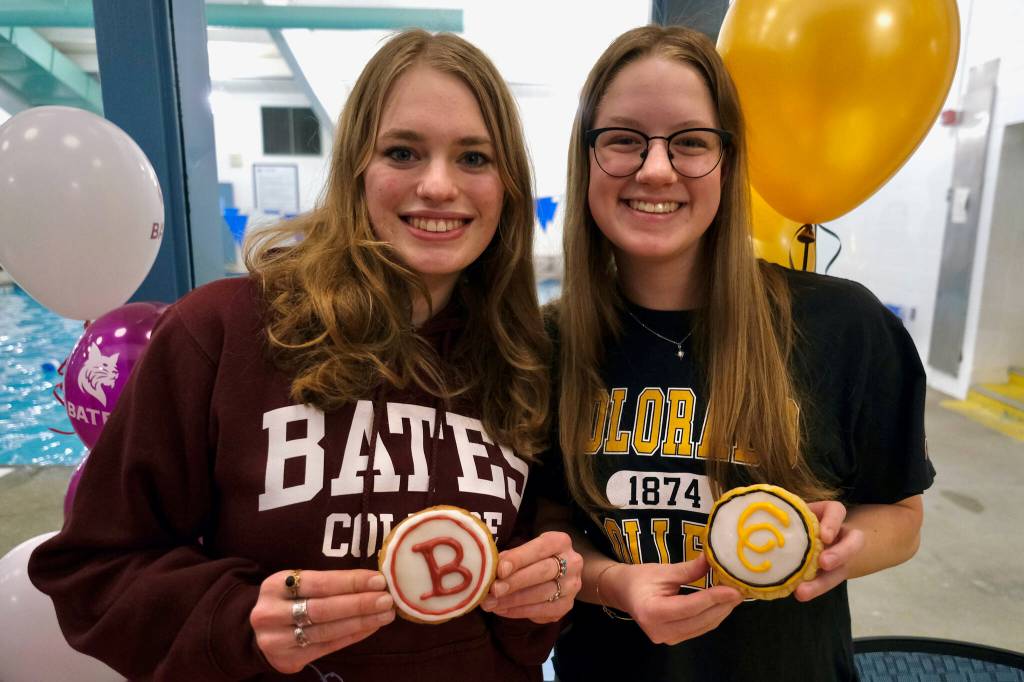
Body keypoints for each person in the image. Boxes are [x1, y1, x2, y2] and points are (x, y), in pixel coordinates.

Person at [29, 29, 581, 682]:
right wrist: (235, 621)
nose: (437, 185)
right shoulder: (223, 332)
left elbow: (546, 553)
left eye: (473, 158)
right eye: (403, 152)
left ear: (509, 185)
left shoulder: (527, 360)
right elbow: (91, 569)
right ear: (356, 170)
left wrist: (548, 587)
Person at [537, 25, 934, 681]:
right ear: (588, 160)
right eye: (624, 140)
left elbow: (904, 518)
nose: (656, 168)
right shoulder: (548, 344)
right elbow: (550, 528)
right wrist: (616, 585)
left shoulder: (842, 324)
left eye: (690, 142)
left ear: (728, 160)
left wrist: (841, 546)